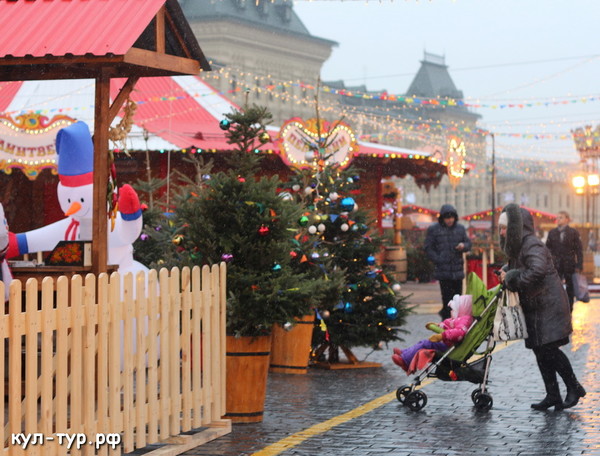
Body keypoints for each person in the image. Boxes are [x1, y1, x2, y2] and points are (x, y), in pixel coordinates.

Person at [498, 203, 586, 411]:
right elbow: (522, 267)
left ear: (515, 228)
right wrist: (506, 270)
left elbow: (536, 271)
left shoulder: (531, 244)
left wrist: (511, 277)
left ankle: (574, 387)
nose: (501, 232)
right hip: (538, 306)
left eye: (504, 227)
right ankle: (552, 394)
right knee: (540, 350)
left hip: (548, 305)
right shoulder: (521, 246)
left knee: (549, 349)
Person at [391, 294, 473, 374]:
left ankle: (405, 360)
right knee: (423, 343)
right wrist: (438, 325)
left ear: (462, 310)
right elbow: (448, 324)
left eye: (453, 309)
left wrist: (442, 336)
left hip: (447, 345)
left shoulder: (464, 320)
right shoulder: (460, 319)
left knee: (424, 344)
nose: (451, 311)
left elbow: (459, 333)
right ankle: (404, 353)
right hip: (446, 342)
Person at [424, 204, 471, 319]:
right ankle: (446, 321)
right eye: (447, 218)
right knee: (447, 299)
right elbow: (428, 247)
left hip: (457, 270)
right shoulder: (434, 230)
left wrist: (463, 246)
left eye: (451, 217)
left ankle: (456, 322)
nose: (449, 220)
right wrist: (438, 259)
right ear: (442, 218)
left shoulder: (460, 229)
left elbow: (468, 243)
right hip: (443, 271)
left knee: (458, 300)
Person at [545, 211, 583, 310]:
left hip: (569, 265)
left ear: (567, 219)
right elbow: (547, 249)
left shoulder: (573, 232)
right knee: (555, 288)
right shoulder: (552, 233)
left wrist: (579, 265)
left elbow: (579, 250)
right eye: (557, 217)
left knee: (570, 289)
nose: (558, 219)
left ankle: (569, 309)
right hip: (555, 266)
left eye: (561, 217)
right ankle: (557, 309)